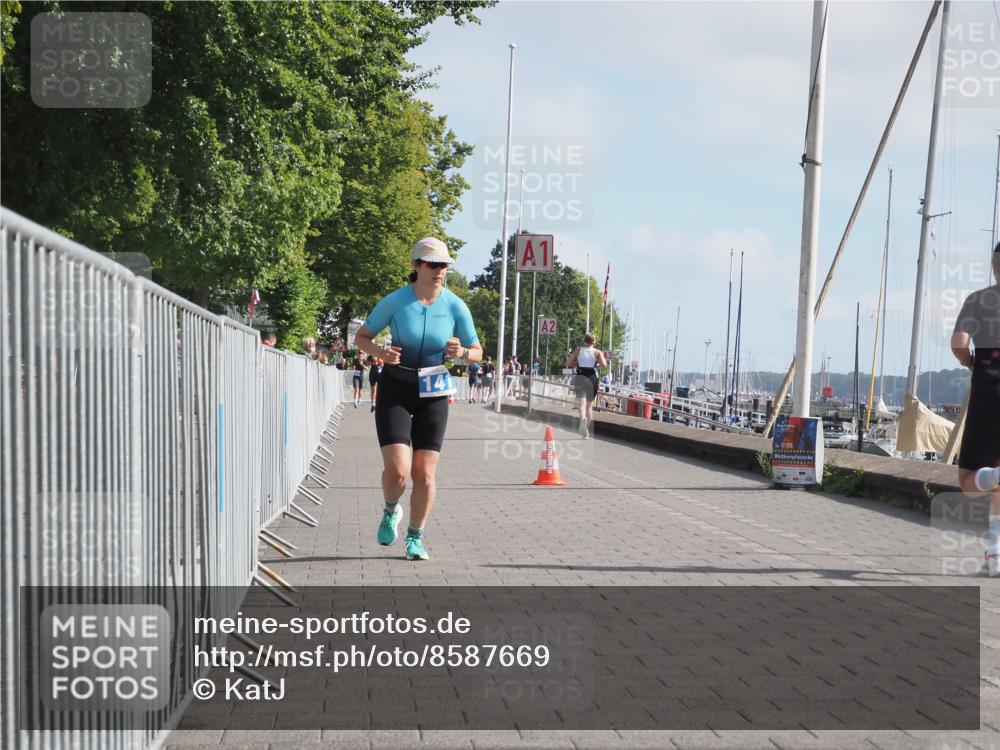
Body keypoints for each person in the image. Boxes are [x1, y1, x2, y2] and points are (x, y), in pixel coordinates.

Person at [354, 237, 482, 561]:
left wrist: (462, 353)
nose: (440, 271)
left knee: (424, 473)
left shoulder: (455, 305)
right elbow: (361, 337)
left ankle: (415, 537)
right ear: (416, 265)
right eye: (433, 264)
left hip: (434, 387)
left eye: (444, 265)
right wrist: (381, 352)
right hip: (396, 386)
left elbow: (477, 351)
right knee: (398, 471)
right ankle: (390, 510)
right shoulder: (396, 301)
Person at [951, 242, 1000, 575]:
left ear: (994, 267)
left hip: (988, 387)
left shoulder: (978, 300)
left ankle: (995, 553)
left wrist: (970, 363)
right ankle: (994, 551)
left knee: (969, 481)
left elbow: (958, 344)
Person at [565, 332, 608, 439]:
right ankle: (586, 430)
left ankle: (582, 418)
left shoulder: (578, 349)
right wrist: (596, 365)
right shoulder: (597, 352)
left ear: (584, 340)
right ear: (594, 341)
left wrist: (577, 361)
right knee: (589, 406)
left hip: (581, 376)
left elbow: (568, 363)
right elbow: (604, 365)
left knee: (581, 404)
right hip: (592, 377)